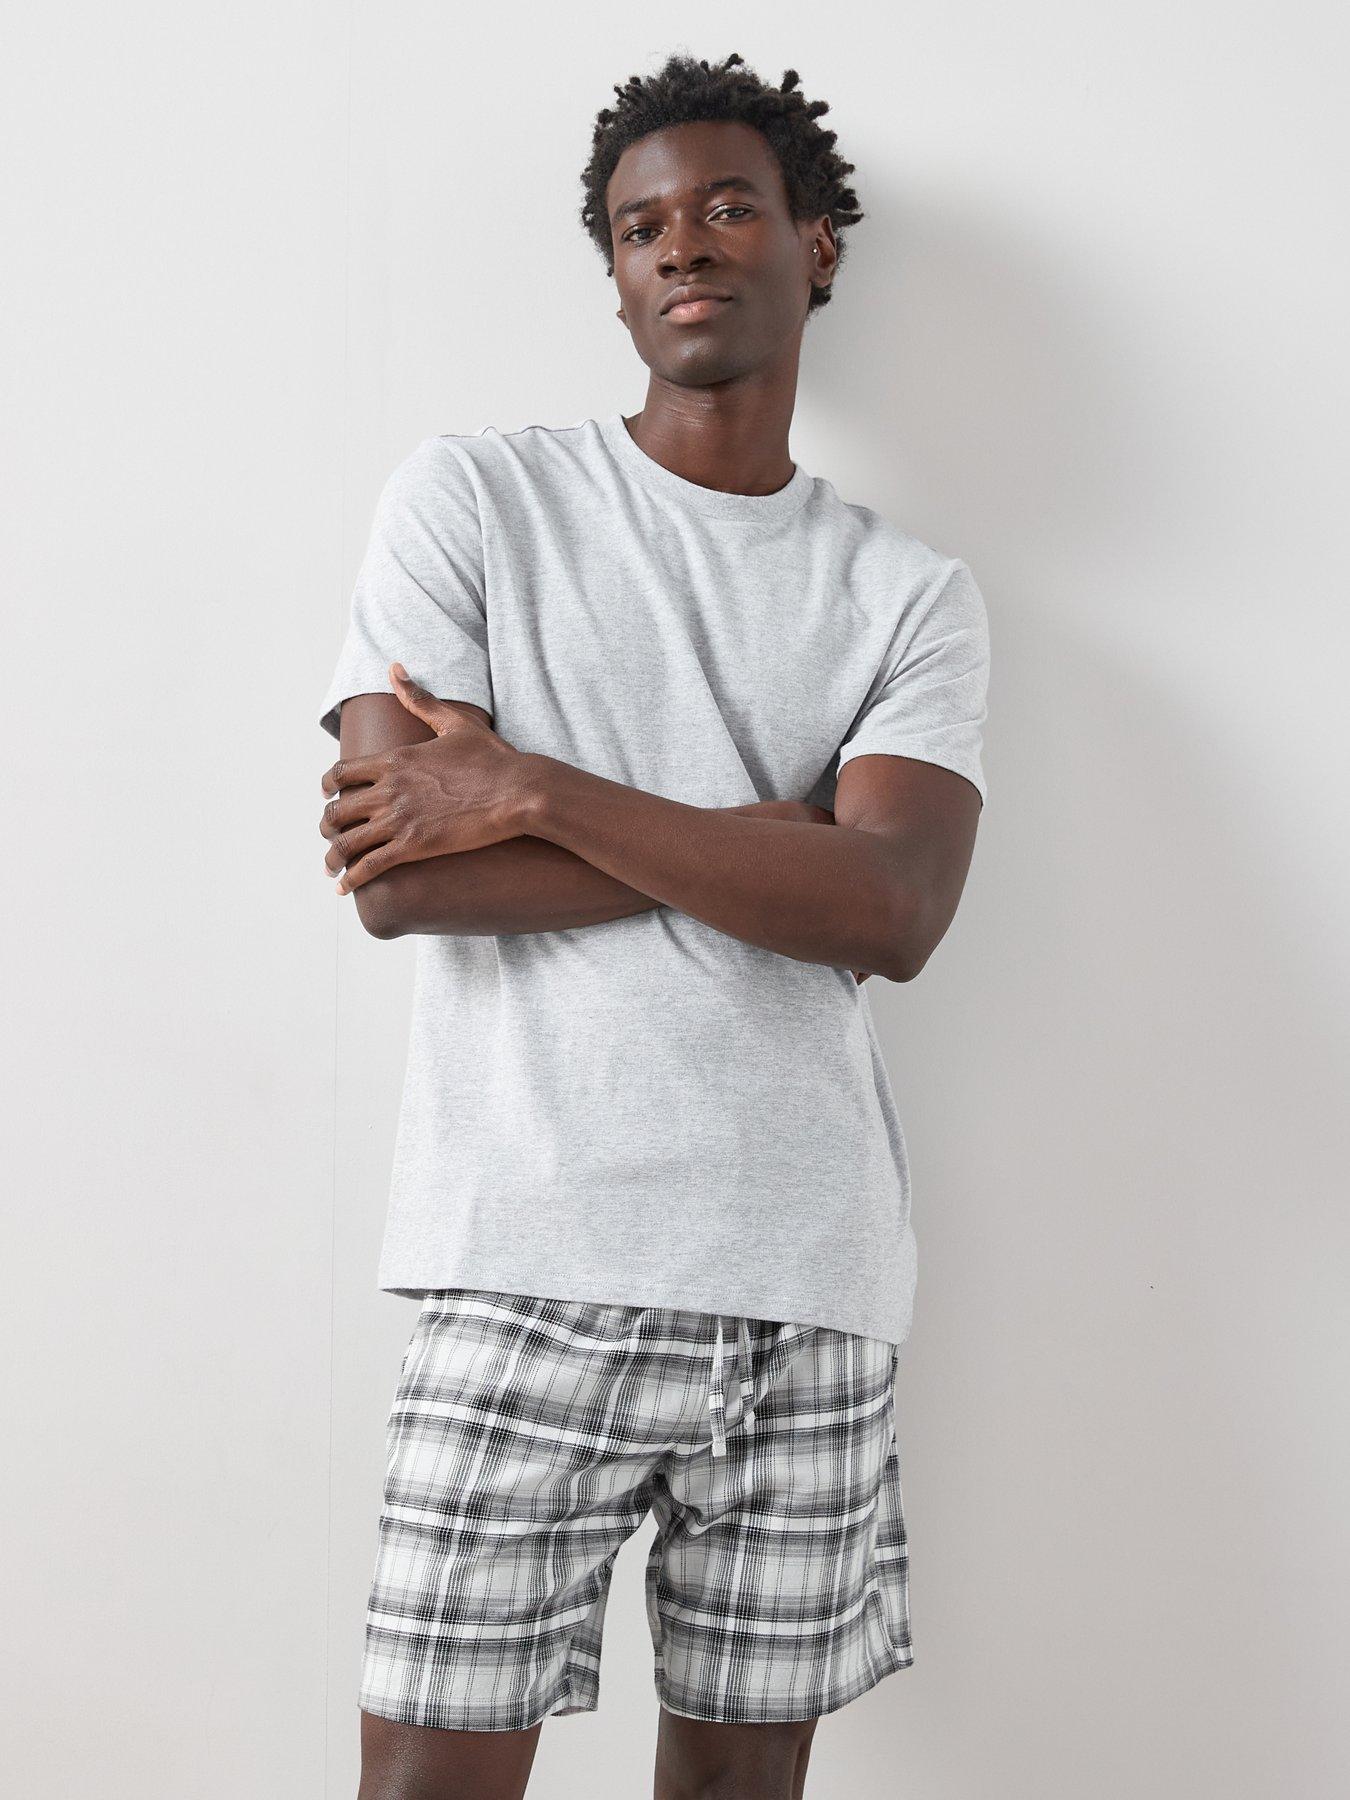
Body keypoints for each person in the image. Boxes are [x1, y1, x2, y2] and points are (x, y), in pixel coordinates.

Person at [318, 49, 989, 1800]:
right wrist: (769, 844)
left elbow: (895, 904)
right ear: (614, 276)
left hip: (808, 1276)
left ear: (814, 246)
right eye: (638, 227)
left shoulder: (905, 593)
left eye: (725, 206)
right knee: (425, 1780)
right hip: (530, 1255)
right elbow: (402, 877)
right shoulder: (475, 499)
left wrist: (531, 788)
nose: (679, 243)